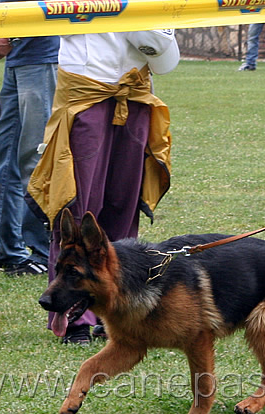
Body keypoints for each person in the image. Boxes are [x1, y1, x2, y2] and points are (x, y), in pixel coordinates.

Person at [26, 30, 179, 343]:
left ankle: (114, 310)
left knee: (123, 204)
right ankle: (72, 316)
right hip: (85, 90)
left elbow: (164, 54)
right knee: (76, 208)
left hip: (136, 89)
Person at [0, 31, 59, 275]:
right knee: (3, 157)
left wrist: (9, 40)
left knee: (36, 158)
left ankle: (44, 253)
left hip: (42, 56)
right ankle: (5, 250)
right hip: (16, 58)